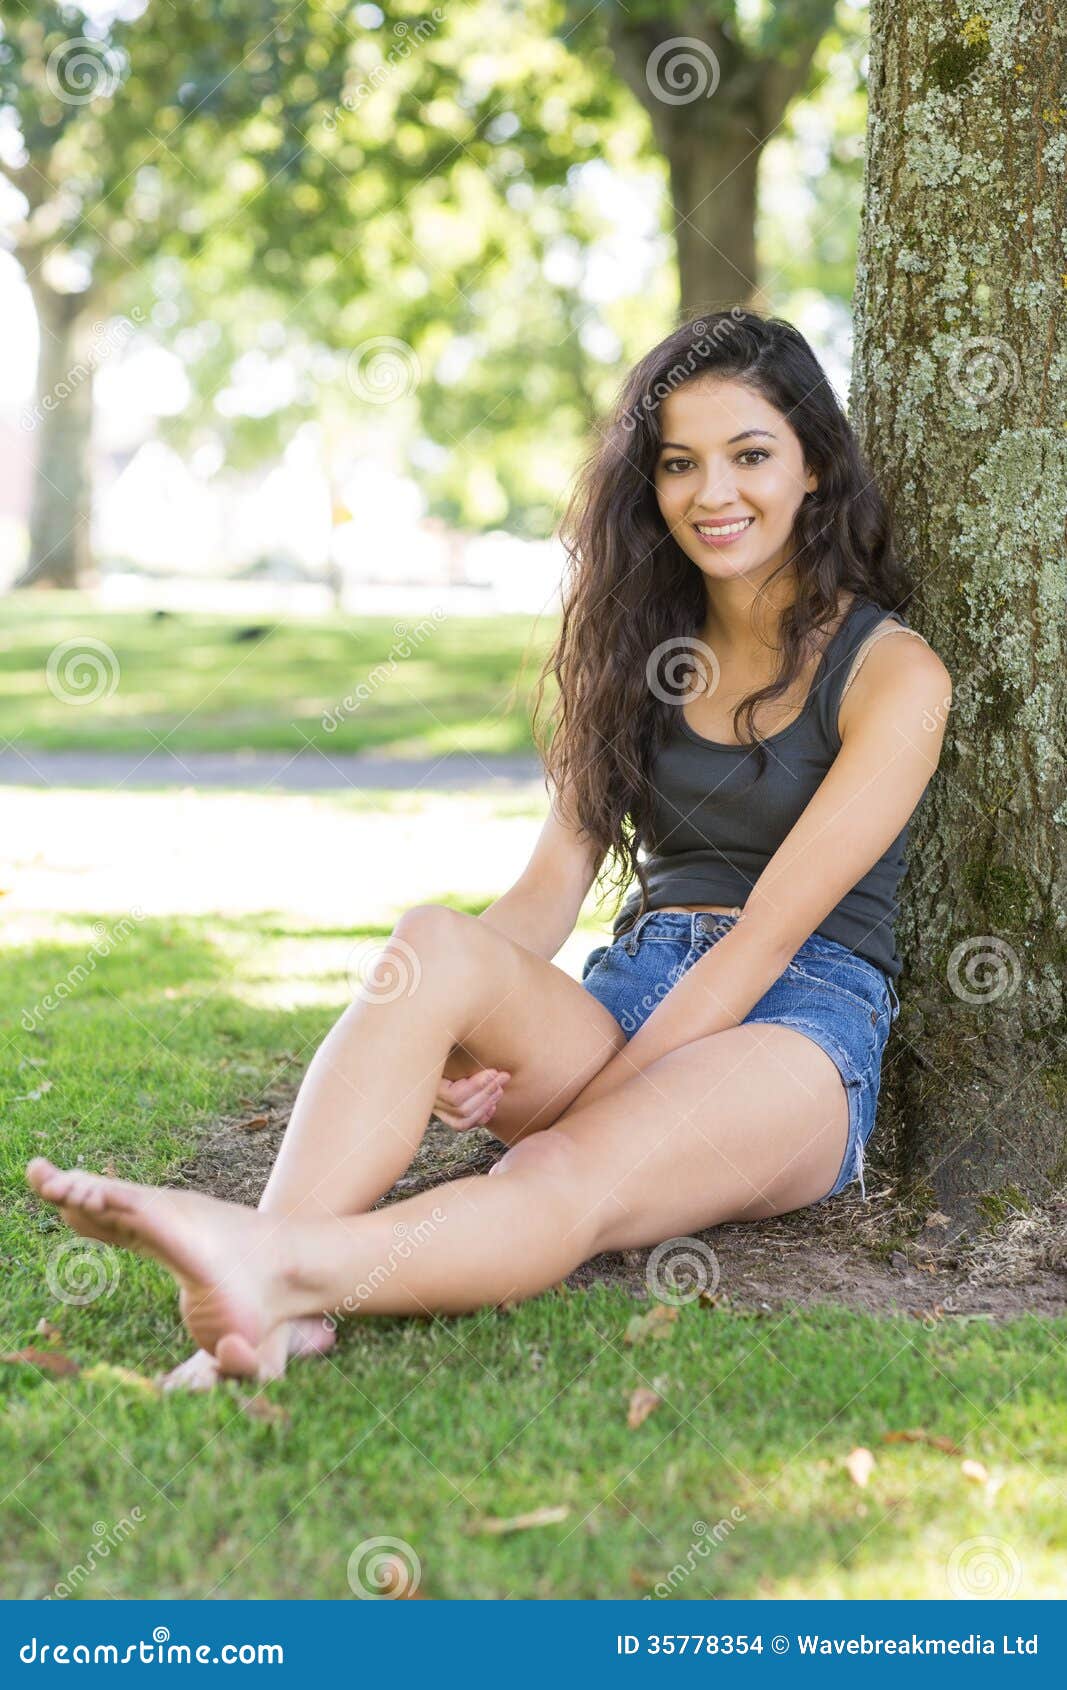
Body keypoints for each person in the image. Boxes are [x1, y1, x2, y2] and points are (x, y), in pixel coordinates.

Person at [25, 308, 952, 1390]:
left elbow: (757, 945)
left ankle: (276, 1265)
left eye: (750, 455)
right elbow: (545, 891)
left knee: (567, 1167)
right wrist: (448, 1030)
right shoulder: (630, 649)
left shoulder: (892, 674)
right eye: (678, 464)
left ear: (813, 468)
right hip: (634, 987)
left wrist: (589, 1102)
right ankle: (260, 1290)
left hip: (792, 1024)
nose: (713, 494)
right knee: (431, 943)